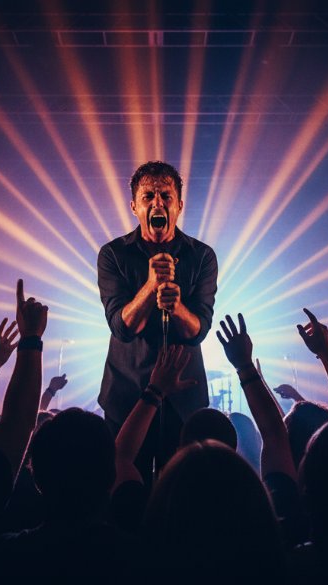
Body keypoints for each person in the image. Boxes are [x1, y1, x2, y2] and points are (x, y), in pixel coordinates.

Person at [97, 161, 217, 478]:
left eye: (165, 195)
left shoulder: (202, 256)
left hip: (183, 400)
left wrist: (176, 306)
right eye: (148, 196)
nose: (158, 203)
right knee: (121, 487)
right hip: (126, 395)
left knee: (180, 496)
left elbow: (199, 330)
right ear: (135, 206)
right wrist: (151, 286)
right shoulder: (113, 254)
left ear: (179, 205)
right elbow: (122, 328)